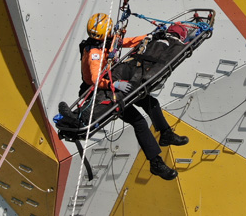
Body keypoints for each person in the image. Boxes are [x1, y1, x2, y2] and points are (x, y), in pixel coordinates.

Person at [79, 13, 189, 180]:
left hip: (115, 81)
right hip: (102, 92)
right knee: (139, 121)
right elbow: (95, 79)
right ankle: (155, 163)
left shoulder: (106, 42)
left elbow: (127, 42)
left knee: (150, 102)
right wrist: (113, 85)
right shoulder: (95, 52)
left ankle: (166, 133)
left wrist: (150, 36)